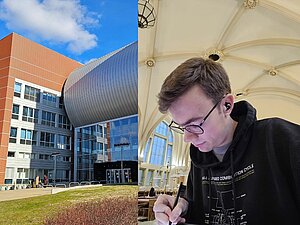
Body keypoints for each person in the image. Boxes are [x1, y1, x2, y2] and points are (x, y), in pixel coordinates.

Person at [153, 57, 300, 225]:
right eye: (181, 126)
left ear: (227, 106)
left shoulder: (279, 138)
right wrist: (185, 206)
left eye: (194, 124)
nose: (187, 138)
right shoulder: (199, 159)